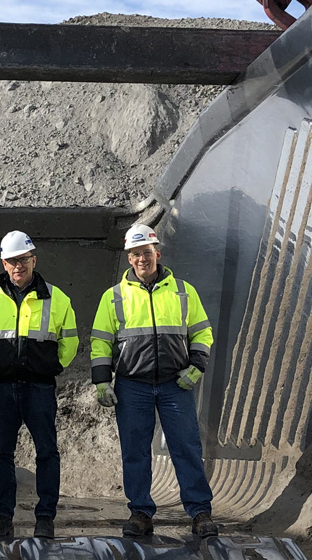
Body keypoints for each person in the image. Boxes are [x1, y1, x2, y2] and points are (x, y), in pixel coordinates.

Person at [89, 223, 218, 539]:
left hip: (176, 384)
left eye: (146, 252)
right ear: (129, 258)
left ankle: (200, 512)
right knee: (135, 451)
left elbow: (202, 332)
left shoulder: (183, 292)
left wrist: (196, 366)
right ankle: (141, 513)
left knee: (186, 446)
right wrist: (102, 382)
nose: (141, 259)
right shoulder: (113, 297)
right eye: (135, 254)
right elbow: (101, 342)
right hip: (132, 385)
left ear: (157, 253)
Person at [0, 231, 78, 539]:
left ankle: (45, 517)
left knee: (47, 452)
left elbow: (70, 341)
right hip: (1, 387)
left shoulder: (57, 298)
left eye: (23, 259)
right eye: (12, 261)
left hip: (39, 387)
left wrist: (51, 366)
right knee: (1, 453)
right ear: (3, 263)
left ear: (34, 260)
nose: (18, 266)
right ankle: (2, 517)